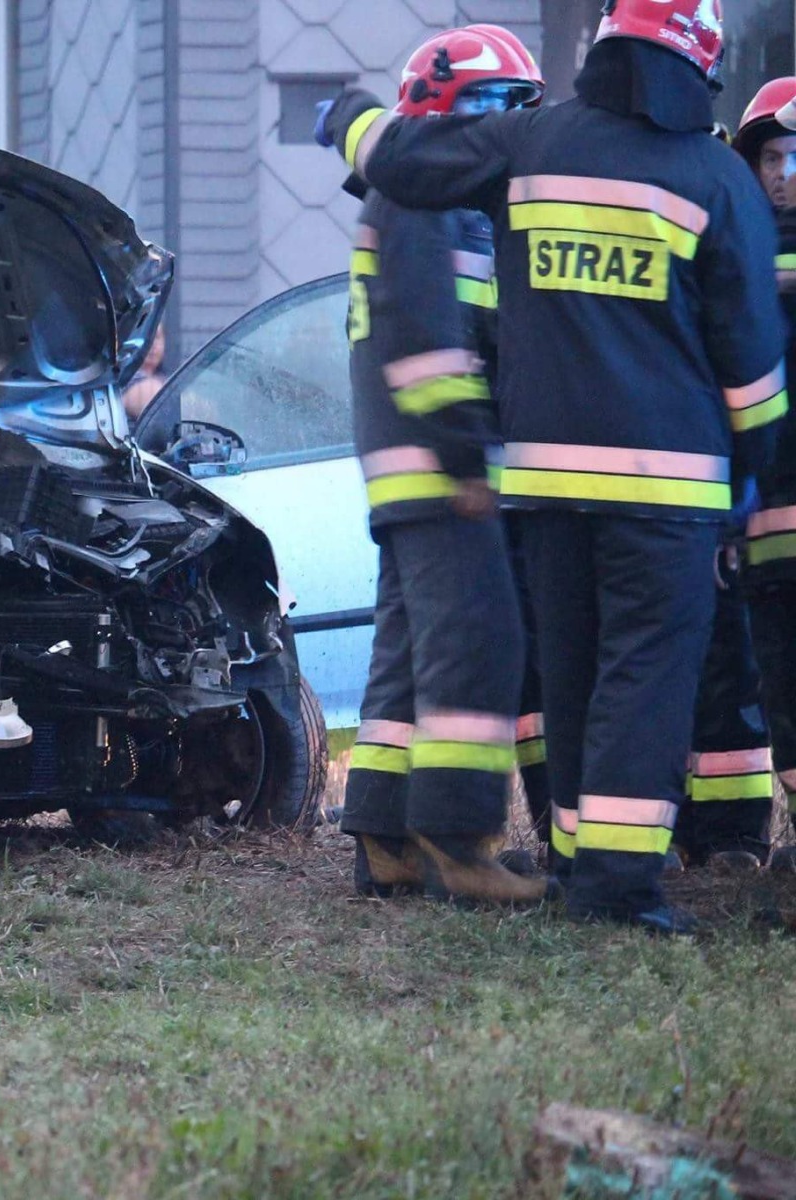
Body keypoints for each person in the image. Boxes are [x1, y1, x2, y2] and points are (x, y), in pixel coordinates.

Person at [321, 0, 789, 932]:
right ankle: (617, 889)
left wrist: (346, 118)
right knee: (645, 678)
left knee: (568, 677)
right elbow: (750, 363)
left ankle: (574, 861)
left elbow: (408, 159)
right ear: (702, 62)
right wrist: (754, 472)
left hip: (539, 485)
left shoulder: (531, 142)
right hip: (667, 491)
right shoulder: (714, 176)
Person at [338, 25, 546, 905]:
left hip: (409, 468)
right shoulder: (425, 201)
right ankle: (461, 844)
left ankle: (386, 838)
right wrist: (469, 454)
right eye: (498, 108)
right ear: (444, 107)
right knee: (478, 647)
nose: (507, 131)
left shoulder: (415, 197)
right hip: (441, 466)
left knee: (411, 656)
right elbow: (426, 340)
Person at [730, 78, 796, 871]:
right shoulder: (736, 246)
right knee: (778, 676)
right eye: (773, 157)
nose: (785, 172)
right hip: (766, 513)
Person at [120, 327, 168, 423]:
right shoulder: (123, 381)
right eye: (145, 336)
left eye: (156, 337)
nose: (152, 344)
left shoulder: (164, 378)